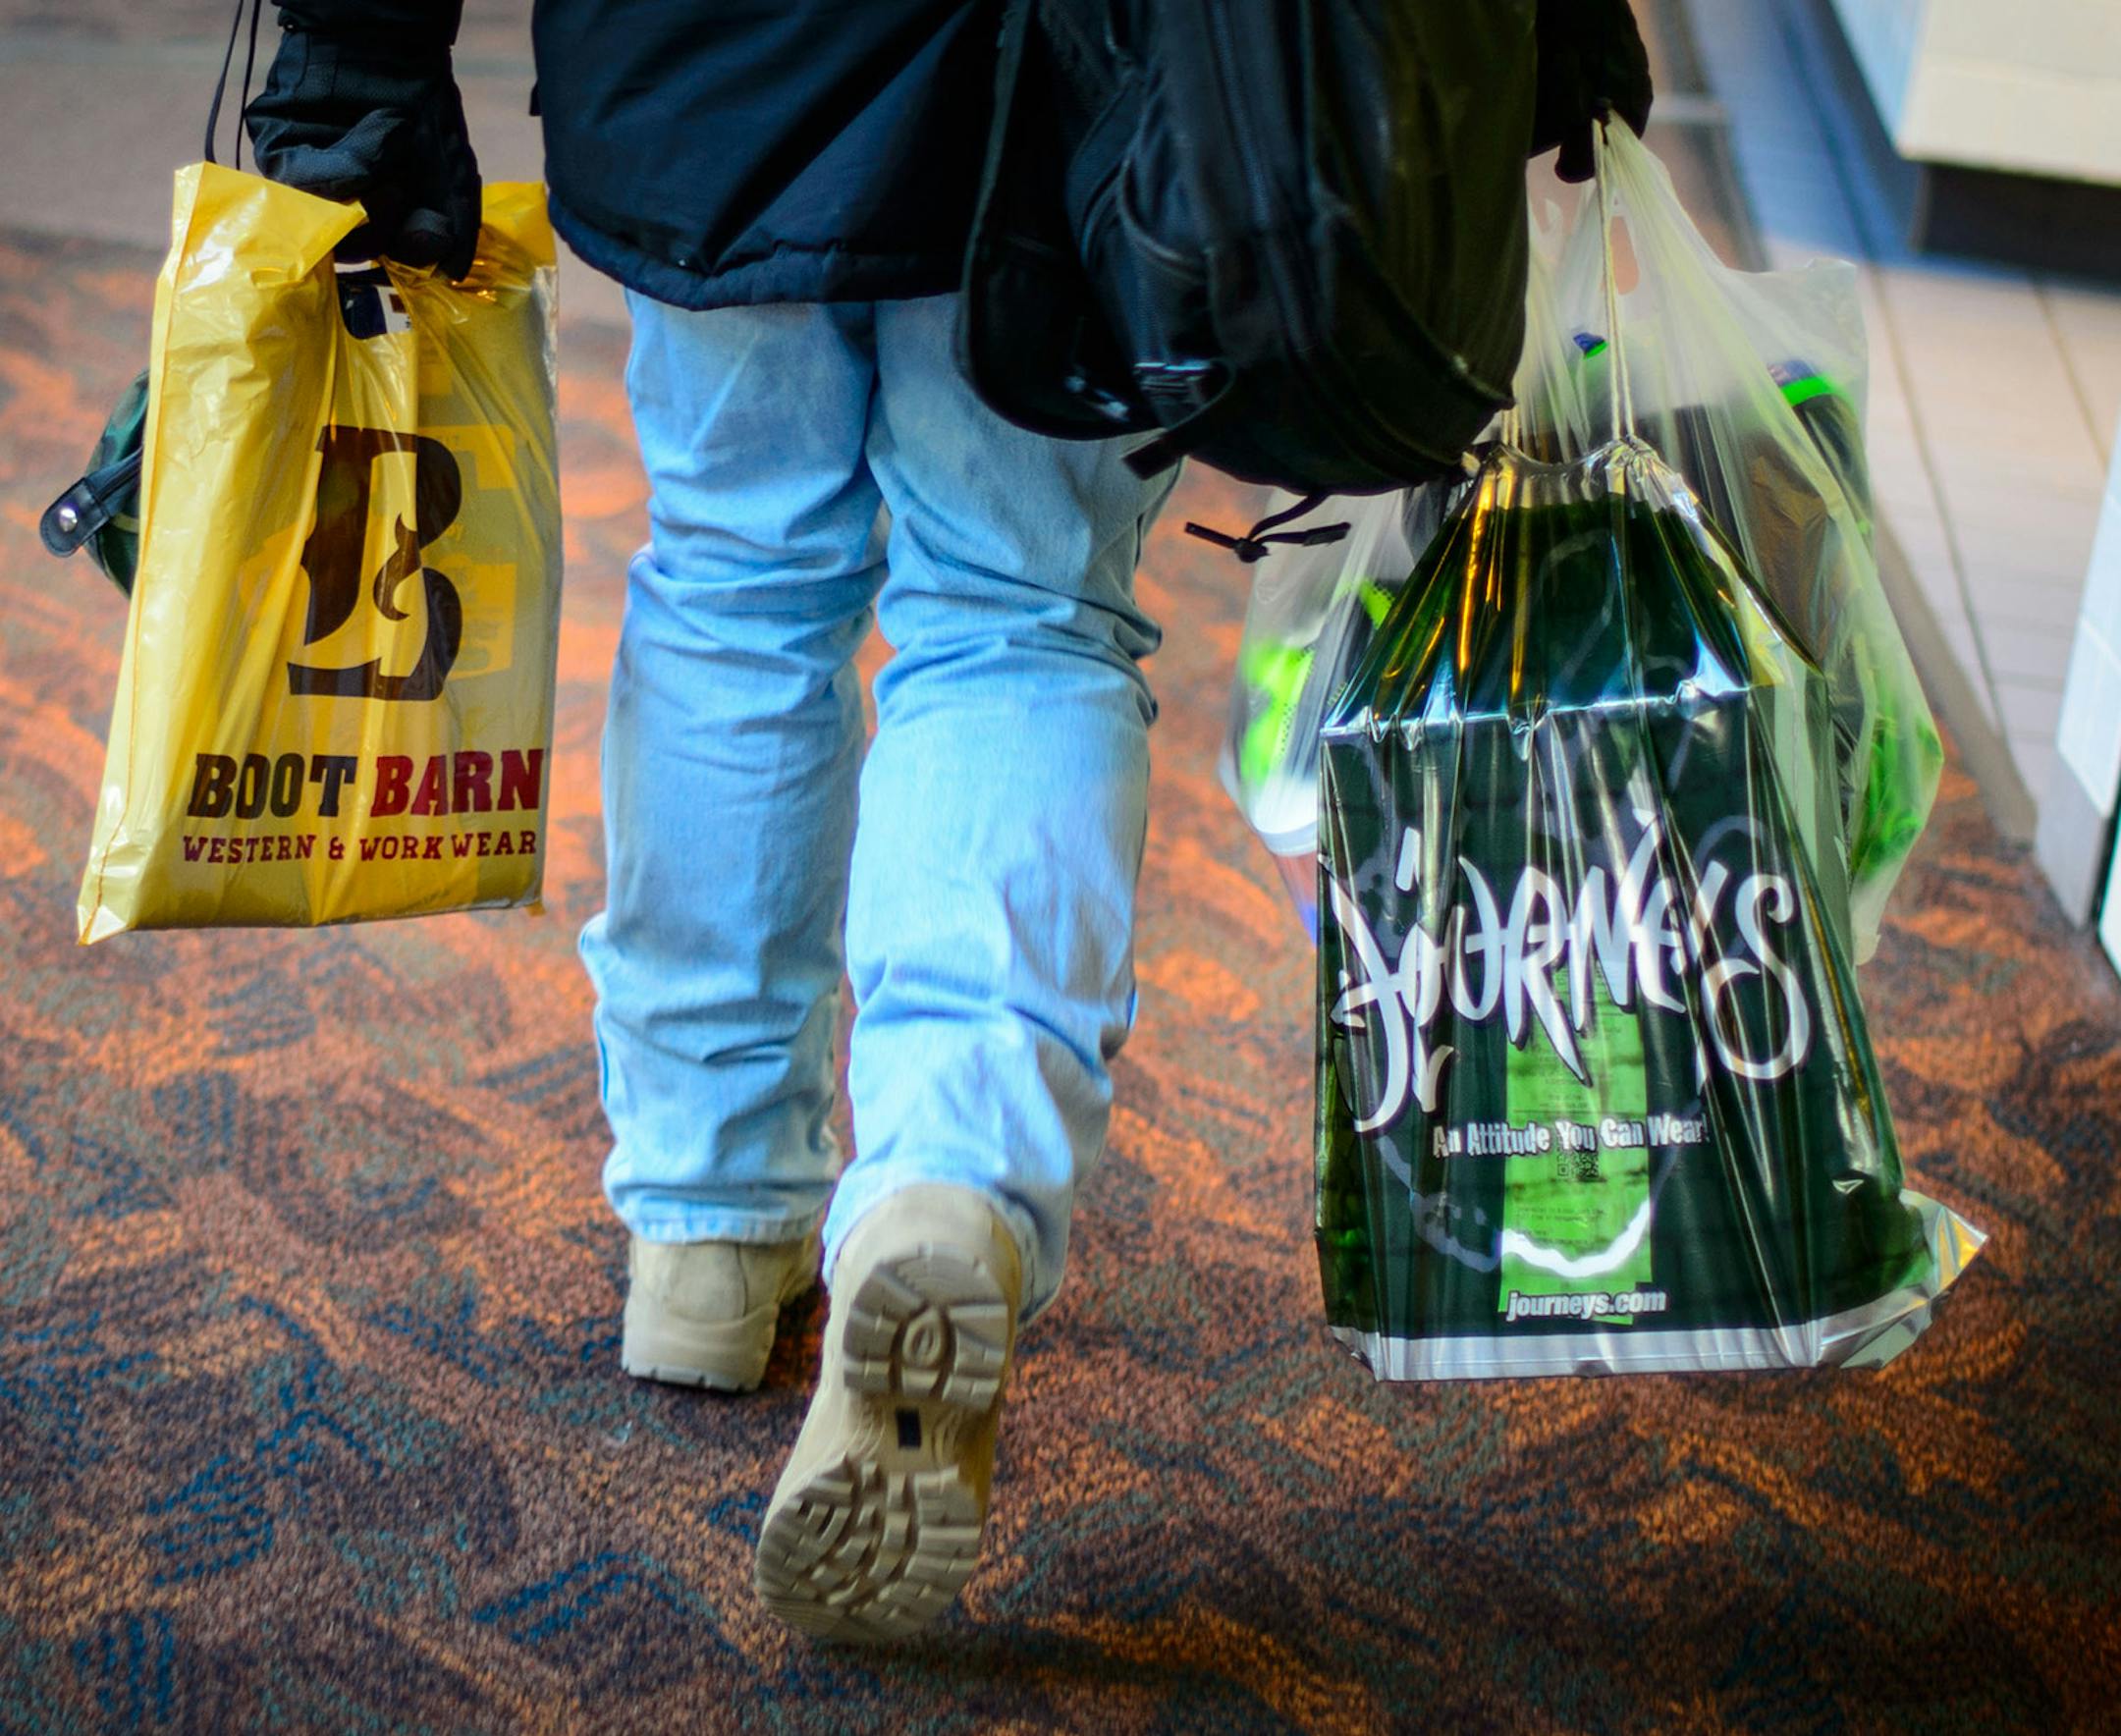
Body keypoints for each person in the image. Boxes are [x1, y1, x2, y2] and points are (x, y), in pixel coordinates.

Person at [245, 0, 1649, 1644]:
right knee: (1021, 611)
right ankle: (950, 1179)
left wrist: (360, 58)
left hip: (709, 53)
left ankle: (705, 1224)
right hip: (1071, 65)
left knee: (731, 572)